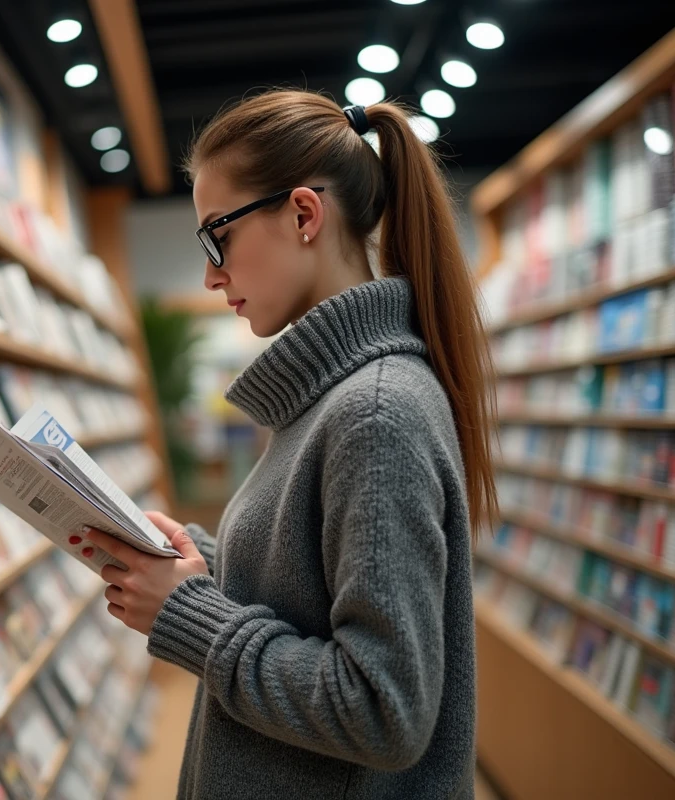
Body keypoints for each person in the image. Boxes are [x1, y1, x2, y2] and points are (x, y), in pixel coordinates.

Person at [82, 91, 494, 800]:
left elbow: (382, 710)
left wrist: (190, 616)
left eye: (218, 236)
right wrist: (203, 565)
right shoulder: (333, 398)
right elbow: (312, 595)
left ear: (304, 214)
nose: (212, 273)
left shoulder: (373, 412)